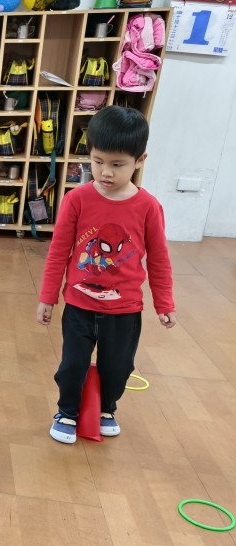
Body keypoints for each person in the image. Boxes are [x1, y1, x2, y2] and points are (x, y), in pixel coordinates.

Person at [37, 106, 176, 444]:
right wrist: (47, 297)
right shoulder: (76, 200)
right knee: (72, 365)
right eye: (98, 161)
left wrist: (164, 303)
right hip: (79, 306)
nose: (105, 173)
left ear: (139, 160)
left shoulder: (148, 207)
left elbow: (159, 259)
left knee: (118, 368)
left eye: (117, 164)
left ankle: (106, 409)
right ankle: (67, 412)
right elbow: (58, 253)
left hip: (125, 310)